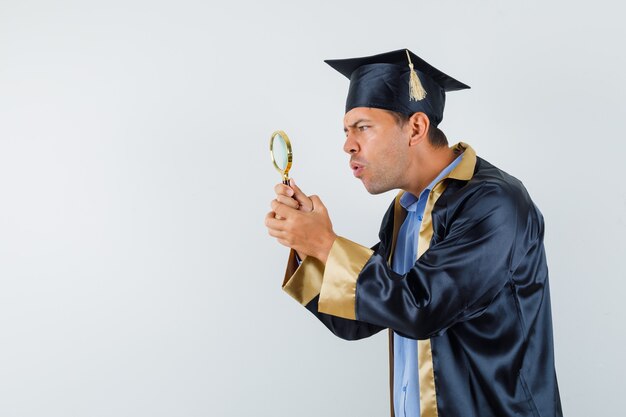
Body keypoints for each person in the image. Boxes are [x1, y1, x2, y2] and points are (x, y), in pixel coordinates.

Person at [265, 49, 562, 417]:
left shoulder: (494, 203)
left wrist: (325, 244)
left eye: (363, 127)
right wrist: (306, 247)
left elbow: (421, 309)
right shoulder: (405, 211)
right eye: (346, 131)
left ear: (417, 128)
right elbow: (360, 318)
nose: (348, 145)